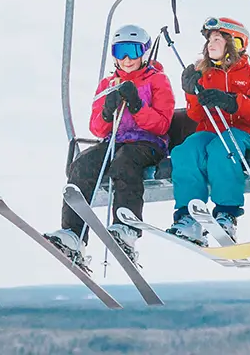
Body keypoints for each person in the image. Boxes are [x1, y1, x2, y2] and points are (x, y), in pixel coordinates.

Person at [44, 24, 175, 267]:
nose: (126, 59)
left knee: (125, 163)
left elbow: (161, 124)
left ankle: (126, 228)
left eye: (133, 51)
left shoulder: (157, 80)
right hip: (116, 141)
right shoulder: (108, 84)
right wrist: (107, 111)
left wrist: (136, 105)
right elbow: (97, 129)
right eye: (120, 51)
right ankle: (74, 234)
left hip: (148, 143)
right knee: (82, 164)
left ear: (144, 53)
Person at [166, 17, 250, 245]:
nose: (211, 44)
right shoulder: (204, 74)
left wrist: (231, 101)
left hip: (240, 132)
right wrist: (191, 92)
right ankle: (188, 216)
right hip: (210, 131)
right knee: (185, 151)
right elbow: (196, 115)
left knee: (222, 150)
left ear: (235, 43)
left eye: (217, 40)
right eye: (209, 40)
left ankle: (226, 213)